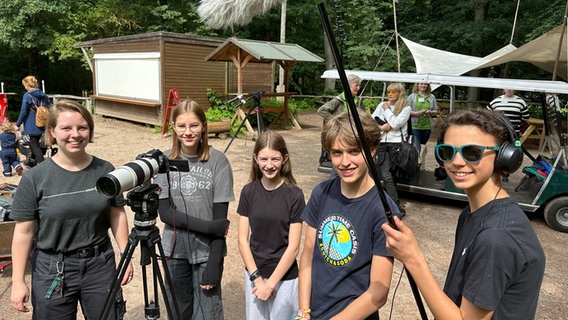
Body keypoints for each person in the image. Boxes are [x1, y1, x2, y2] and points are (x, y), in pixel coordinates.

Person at [382, 109, 545, 320]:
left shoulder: (497, 237)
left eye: (472, 152)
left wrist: (413, 258)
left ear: (504, 157)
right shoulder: (473, 213)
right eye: (448, 152)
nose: (457, 162)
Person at [10, 100, 133, 319]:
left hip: (99, 265)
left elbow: (116, 212)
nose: (75, 134)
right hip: (52, 268)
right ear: (52, 131)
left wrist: (125, 253)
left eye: (82, 127)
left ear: (90, 131)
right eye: (66, 128)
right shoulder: (34, 178)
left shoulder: (105, 170)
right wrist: (18, 281)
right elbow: (24, 232)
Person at [296, 111, 394, 320]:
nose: (345, 161)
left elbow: (378, 293)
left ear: (372, 150)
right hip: (314, 313)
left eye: (354, 151)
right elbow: (307, 255)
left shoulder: (383, 209)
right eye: (337, 153)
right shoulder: (321, 193)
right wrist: (303, 311)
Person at [154, 99, 234, 320]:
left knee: (208, 314)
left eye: (194, 125)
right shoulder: (163, 162)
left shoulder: (219, 162)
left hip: (206, 252)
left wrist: (215, 261)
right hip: (174, 252)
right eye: (182, 126)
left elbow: (221, 217)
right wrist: (210, 227)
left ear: (204, 126)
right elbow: (165, 214)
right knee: (178, 312)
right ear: (173, 127)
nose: (188, 132)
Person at [237, 130, 305, 320]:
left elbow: (293, 247)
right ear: (255, 159)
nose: (269, 165)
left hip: (285, 278)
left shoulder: (295, 195)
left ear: (284, 159)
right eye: (264, 159)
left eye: (275, 159)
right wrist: (257, 279)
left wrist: (270, 284)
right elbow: (242, 240)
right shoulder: (248, 192)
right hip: (254, 275)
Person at [371, 82, 411, 214]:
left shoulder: (406, 108)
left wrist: (387, 111)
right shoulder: (381, 105)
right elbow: (372, 121)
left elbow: (395, 123)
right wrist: (382, 127)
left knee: (393, 176)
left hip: (397, 145)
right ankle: (395, 206)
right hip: (382, 143)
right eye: (389, 92)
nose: (390, 94)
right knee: (386, 176)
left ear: (399, 94)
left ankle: (392, 205)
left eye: (393, 92)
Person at [317, 74, 364, 167]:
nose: (358, 88)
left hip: (353, 135)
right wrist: (335, 121)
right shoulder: (338, 100)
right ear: (348, 85)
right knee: (339, 163)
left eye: (359, 86)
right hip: (341, 134)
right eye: (356, 85)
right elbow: (321, 110)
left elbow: (363, 116)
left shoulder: (358, 101)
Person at [16, 75, 51, 167]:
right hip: (43, 123)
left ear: (27, 85)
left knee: (34, 144)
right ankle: (32, 161)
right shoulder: (43, 95)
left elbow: (23, 111)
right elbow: (51, 106)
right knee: (33, 143)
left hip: (32, 124)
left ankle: (42, 165)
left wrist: (18, 124)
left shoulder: (27, 95)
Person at [408, 82, 438, 165]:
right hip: (414, 126)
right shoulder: (412, 96)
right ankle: (414, 164)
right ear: (417, 85)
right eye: (421, 84)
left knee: (423, 145)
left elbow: (436, 111)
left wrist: (430, 112)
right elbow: (406, 110)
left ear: (428, 86)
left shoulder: (431, 97)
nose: (423, 86)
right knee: (416, 146)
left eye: (425, 84)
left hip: (427, 126)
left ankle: (420, 164)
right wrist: (416, 114)